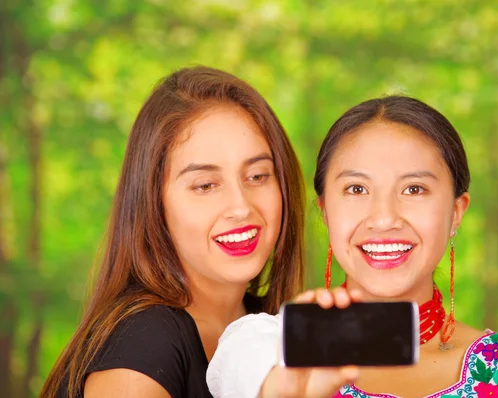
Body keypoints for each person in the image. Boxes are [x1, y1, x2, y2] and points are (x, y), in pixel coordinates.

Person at [206, 96, 498, 398]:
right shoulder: (262, 349)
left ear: (456, 212)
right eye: (356, 189)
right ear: (325, 211)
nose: (384, 219)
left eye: (414, 189)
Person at [40, 65, 306, 398]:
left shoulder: (266, 330)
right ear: (154, 203)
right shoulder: (144, 340)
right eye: (205, 185)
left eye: (257, 176)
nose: (241, 206)